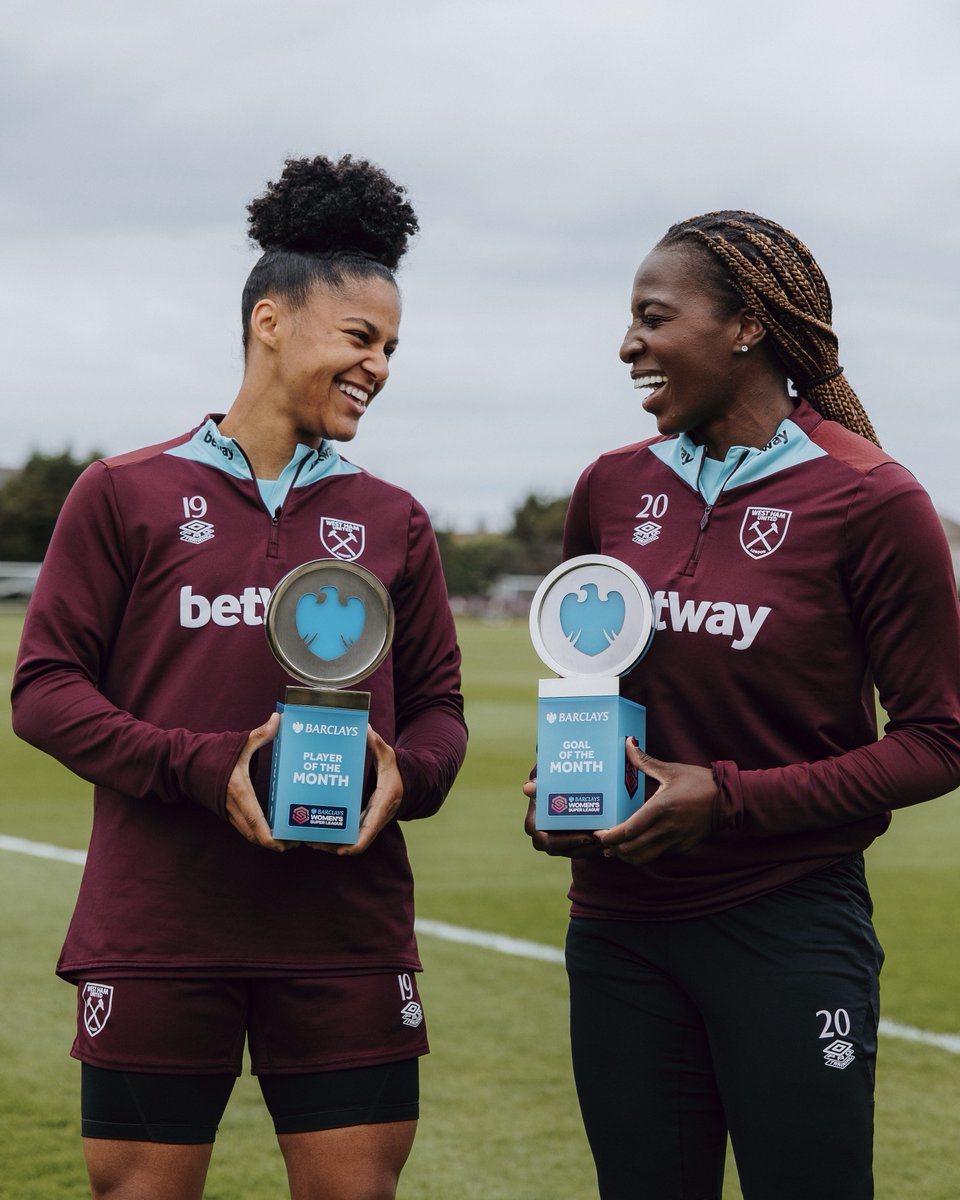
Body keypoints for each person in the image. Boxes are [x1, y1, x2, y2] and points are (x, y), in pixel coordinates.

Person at [12, 155, 467, 1200]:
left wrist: (415, 773)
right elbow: (44, 689)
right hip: (161, 928)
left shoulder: (393, 517)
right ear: (272, 321)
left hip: (344, 929)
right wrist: (202, 766)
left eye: (392, 347)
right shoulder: (123, 493)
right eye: (360, 338)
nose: (380, 366)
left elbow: (438, 706)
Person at [523, 210, 960, 1199]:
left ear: (747, 327)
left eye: (652, 316)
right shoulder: (610, 486)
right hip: (619, 930)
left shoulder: (871, 499)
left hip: (788, 925)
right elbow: (585, 684)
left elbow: (940, 739)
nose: (628, 344)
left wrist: (727, 800)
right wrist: (566, 793)